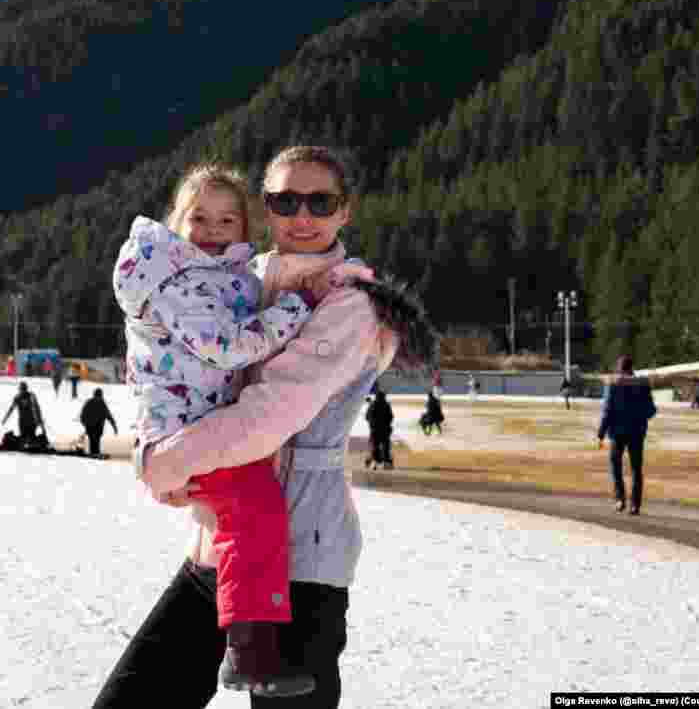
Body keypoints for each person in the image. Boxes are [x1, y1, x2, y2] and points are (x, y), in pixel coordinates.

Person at [94, 145, 436, 709]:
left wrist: (167, 460)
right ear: (267, 209)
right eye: (285, 200)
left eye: (320, 201)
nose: (303, 216)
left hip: (301, 562)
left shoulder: (349, 306)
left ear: (345, 212)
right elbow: (180, 369)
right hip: (220, 548)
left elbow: (266, 417)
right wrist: (157, 430)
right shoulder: (237, 278)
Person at [112, 164, 329, 697]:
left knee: (248, 516)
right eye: (199, 217)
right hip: (186, 434)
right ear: (176, 222)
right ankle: (249, 650)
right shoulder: (172, 280)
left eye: (226, 219)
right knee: (253, 514)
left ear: (242, 230)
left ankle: (247, 645)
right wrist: (297, 307)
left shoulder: (226, 276)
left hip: (201, 430)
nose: (212, 229)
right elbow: (226, 346)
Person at [597, 353, 657, 515]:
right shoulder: (642, 384)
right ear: (632, 368)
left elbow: (607, 410)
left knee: (615, 465)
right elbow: (651, 410)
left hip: (617, 432)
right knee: (637, 468)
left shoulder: (613, 384)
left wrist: (601, 432)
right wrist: (639, 416)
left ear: (619, 368)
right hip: (637, 432)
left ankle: (620, 499)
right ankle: (635, 505)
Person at [2, 381, 45, 447]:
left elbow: (36, 408)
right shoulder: (17, 397)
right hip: (22, 421)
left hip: (32, 421)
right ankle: (25, 443)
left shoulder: (31, 396)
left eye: (23, 389)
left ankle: (34, 443)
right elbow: (11, 408)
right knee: (24, 437)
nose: (22, 391)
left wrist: (39, 421)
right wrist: (5, 418)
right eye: (21, 389)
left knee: (31, 437)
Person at [80, 388, 119, 458]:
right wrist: (114, 427)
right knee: (95, 440)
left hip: (90, 426)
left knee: (93, 439)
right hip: (97, 427)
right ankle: (95, 453)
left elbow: (83, 414)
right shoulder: (102, 403)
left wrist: (85, 424)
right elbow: (108, 415)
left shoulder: (89, 402)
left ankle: (94, 453)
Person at [364, 386, 393, 468]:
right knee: (386, 446)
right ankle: (386, 462)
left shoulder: (372, 405)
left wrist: (372, 424)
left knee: (374, 446)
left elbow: (367, 417)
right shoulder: (386, 405)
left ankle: (376, 462)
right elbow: (390, 417)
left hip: (375, 430)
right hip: (385, 430)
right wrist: (386, 424)